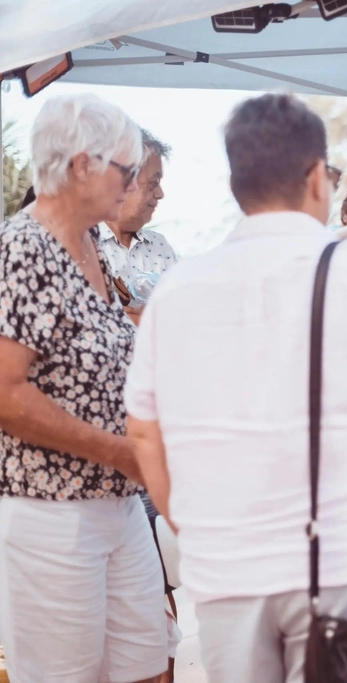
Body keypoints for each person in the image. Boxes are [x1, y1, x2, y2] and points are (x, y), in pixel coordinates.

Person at [125, 93, 347, 683]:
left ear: (237, 183)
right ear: (315, 179)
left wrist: (197, 526)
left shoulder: (177, 291)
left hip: (228, 571)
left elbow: (146, 435)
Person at [0, 94, 168, 682]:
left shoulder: (92, 245)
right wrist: (122, 452)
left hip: (117, 504)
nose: (131, 184)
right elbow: (5, 393)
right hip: (54, 513)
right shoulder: (23, 247)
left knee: (151, 666)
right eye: (126, 170)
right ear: (80, 167)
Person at [98, 129, 177, 325]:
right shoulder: (82, 245)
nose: (160, 194)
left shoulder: (160, 247)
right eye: (153, 183)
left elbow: (178, 317)